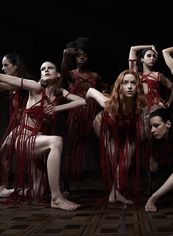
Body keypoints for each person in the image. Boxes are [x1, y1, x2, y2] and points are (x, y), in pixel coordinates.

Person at [0, 61, 86, 210]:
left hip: (39, 144)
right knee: (56, 141)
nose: (46, 70)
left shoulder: (60, 93)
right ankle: (57, 198)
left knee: (39, 192)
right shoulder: (35, 87)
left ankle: (12, 191)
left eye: (50, 68)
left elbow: (82, 101)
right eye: (42, 69)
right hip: (25, 139)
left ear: (57, 74)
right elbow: (10, 80)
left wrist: (57, 108)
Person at [86, 69, 147, 204]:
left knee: (127, 157)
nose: (130, 86)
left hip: (124, 128)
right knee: (114, 154)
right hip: (103, 125)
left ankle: (115, 192)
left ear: (138, 86)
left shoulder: (140, 105)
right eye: (125, 83)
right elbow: (90, 91)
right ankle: (114, 192)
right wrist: (84, 105)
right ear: (119, 86)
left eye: (133, 83)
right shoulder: (107, 102)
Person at [61, 37, 106, 195]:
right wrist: (66, 55)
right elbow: (63, 72)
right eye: (79, 54)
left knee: (100, 147)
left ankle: (109, 184)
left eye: (85, 54)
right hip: (76, 115)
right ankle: (66, 185)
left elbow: (102, 92)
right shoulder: (69, 75)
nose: (82, 57)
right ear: (75, 57)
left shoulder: (95, 76)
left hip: (93, 115)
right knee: (70, 149)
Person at [129, 45, 173, 190]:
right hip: (141, 111)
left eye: (154, 56)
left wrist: (167, 103)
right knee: (143, 146)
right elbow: (132, 50)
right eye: (149, 56)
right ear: (141, 59)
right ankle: (149, 181)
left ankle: (154, 183)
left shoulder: (158, 75)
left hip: (155, 110)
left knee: (153, 146)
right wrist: (149, 46)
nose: (152, 58)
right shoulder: (135, 75)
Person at [0, 53, 35, 197]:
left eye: (6, 65)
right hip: (18, 125)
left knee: (4, 153)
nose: (3, 68)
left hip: (28, 125)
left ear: (16, 66)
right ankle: (4, 186)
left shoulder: (26, 83)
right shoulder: (11, 85)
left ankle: (5, 187)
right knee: (4, 153)